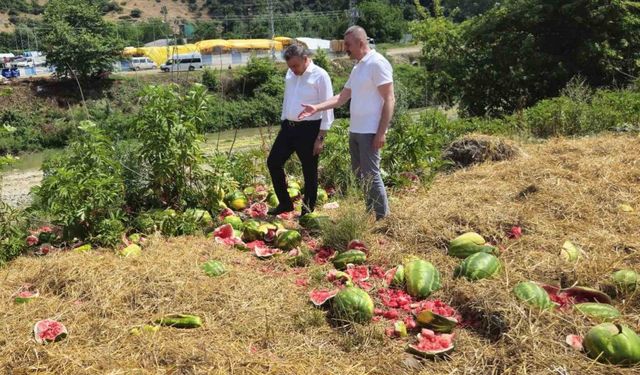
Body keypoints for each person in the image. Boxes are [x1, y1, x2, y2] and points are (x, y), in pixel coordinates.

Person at [298, 26, 395, 220]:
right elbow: (342, 97)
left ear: (361, 43)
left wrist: (381, 132)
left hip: (370, 130)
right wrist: (317, 107)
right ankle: (371, 213)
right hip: (356, 130)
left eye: (348, 45)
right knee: (361, 176)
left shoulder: (377, 63)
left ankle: (383, 219)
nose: (345, 49)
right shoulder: (358, 67)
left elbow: (389, 99)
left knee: (371, 175)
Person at [267, 44, 334, 216]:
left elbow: (328, 108)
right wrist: (284, 119)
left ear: (306, 59)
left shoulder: (320, 75)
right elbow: (288, 98)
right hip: (288, 127)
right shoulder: (290, 73)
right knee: (273, 162)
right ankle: (285, 203)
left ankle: (307, 210)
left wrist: (321, 137)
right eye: (290, 66)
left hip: (309, 129)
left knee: (309, 170)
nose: (293, 70)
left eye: (296, 66)